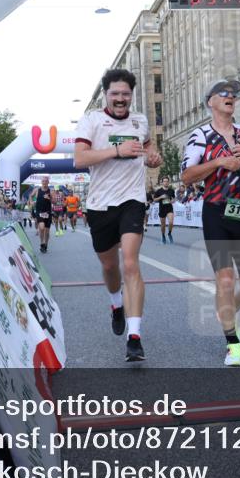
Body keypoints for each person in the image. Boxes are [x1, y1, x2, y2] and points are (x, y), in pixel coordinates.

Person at [74, 68, 162, 362]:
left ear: (131, 95)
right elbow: (80, 158)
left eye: (125, 94)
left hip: (132, 200)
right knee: (110, 267)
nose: (120, 98)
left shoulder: (140, 120)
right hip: (100, 204)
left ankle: (134, 338)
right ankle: (116, 304)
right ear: (106, 95)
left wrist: (152, 156)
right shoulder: (92, 120)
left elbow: (148, 145)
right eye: (115, 94)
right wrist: (116, 150)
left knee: (130, 264)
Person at [181, 79, 240, 367]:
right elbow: (187, 176)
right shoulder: (201, 135)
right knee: (226, 280)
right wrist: (218, 163)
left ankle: (225, 312)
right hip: (216, 212)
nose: (231, 97)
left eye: (233, 94)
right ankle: (233, 344)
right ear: (211, 102)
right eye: (224, 93)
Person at [31, 177, 53, 253]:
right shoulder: (37, 190)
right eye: (43, 181)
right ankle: (42, 242)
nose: (44, 182)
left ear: (48, 182)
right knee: (42, 227)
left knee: (47, 231)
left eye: (46, 181)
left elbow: (55, 202)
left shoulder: (51, 191)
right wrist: (31, 202)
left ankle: (45, 245)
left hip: (48, 212)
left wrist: (49, 198)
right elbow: (31, 196)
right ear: (41, 182)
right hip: (39, 212)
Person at [153, 176, 177, 243]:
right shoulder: (159, 191)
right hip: (162, 209)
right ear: (162, 182)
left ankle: (169, 234)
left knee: (171, 222)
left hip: (169, 208)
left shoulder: (171, 190)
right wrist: (161, 197)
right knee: (163, 225)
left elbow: (174, 198)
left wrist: (173, 200)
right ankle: (163, 235)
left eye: (167, 181)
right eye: (164, 181)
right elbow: (154, 200)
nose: (166, 182)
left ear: (168, 182)